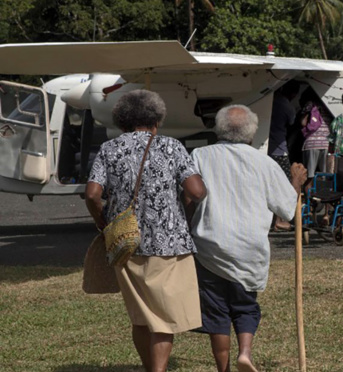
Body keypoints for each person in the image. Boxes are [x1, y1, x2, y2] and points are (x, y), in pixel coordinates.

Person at [85, 90, 207, 372]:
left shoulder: (109, 149)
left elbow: (92, 193)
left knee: (140, 315)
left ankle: (148, 367)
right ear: (157, 119)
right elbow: (196, 191)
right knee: (164, 316)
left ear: (122, 120)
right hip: (169, 243)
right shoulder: (172, 147)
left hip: (126, 243)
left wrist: (102, 222)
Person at [187, 105, 307, 372]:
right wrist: (296, 182)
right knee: (245, 306)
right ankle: (245, 353)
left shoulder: (199, 156)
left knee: (216, 312)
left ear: (218, 129)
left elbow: (187, 195)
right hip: (248, 247)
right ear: (252, 134)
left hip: (209, 244)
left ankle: (224, 369)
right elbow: (287, 209)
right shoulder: (264, 162)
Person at [268, 80, 301, 231]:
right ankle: (279, 220)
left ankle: (272, 219)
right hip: (280, 150)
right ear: (293, 93)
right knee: (284, 184)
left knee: (269, 184)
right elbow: (293, 122)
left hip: (267, 149)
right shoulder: (286, 106)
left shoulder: (269, 101)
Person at [298, 88, 332, 192]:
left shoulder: (310, 105)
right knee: (324, 175)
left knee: (309, 177)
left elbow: (303, 123)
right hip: (325, 143)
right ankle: (325, 199)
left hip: (312, 143)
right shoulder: (327, 105)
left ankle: (308, 203)